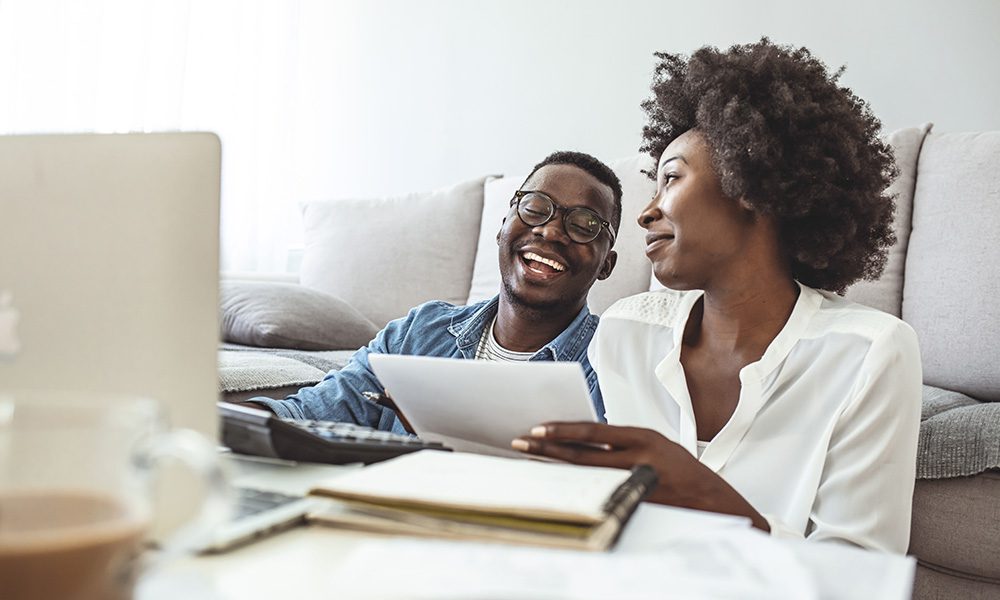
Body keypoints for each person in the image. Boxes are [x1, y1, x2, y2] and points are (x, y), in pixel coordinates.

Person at [512, 39, 922, 553]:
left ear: (749, 184)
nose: (646, 212)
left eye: (671, 179)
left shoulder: (870, 352)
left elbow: (861, 577)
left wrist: (707, 495)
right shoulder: (627, 332)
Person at [241, 151, 621, 434]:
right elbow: (309, 412)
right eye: (536, 207)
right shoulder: (419, 332)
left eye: (585, 224)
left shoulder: (614, 362)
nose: (551, 231)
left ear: (606, 264)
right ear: (503, 224)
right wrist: (216, 424)